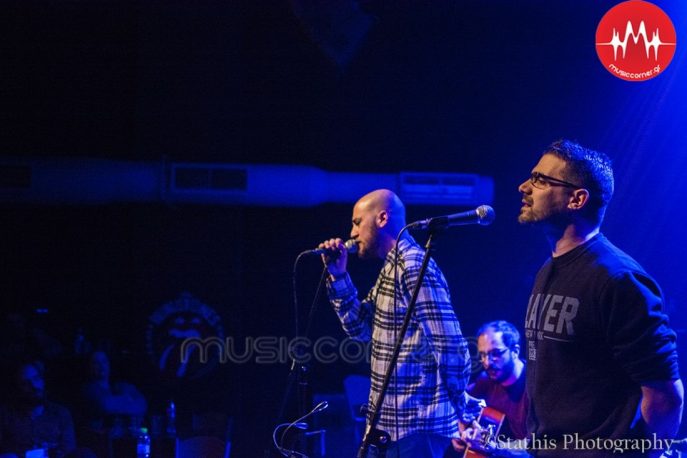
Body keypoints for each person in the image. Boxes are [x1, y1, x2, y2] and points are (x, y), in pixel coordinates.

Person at [517, 139, 683, 457]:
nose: (524, 187)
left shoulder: (618, 279)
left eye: (539, 179)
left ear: (577, 199)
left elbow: (665, 396)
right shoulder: (547, 270)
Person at [319, 189, 471, 458]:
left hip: (416, 425)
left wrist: (461, 408)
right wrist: (339, 275)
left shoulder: (413, 265)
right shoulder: (392, 266)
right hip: (388, 424)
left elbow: (450, 345)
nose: (352, 233)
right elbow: (361, 329)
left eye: (357, 222)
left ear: (382, 218)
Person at [451, 321, 528, 457]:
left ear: (515, 351)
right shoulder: (485, 381)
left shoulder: (534, 387)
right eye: (483, 355)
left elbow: (539, 446)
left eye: (496, 353)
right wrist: (459, 430)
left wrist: (494, 447)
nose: (487, 362)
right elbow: (457, 404)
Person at [0, 360, 77, 457]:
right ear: (18, 387)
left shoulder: (60, 413)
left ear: (42, 380)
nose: (34, 386)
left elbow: (69, 451)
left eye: (36, 378)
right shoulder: (6, 415)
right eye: (26, 383)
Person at [81, 350, 147, 431]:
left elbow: (143, 404)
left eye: (104, 361)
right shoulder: (88, 389)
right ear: (90, 367)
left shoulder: (120, 386)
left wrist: (116, 404)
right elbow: (105, 405)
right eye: (96, 363)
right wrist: (128, 400)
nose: (101, 366)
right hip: (99, 436)